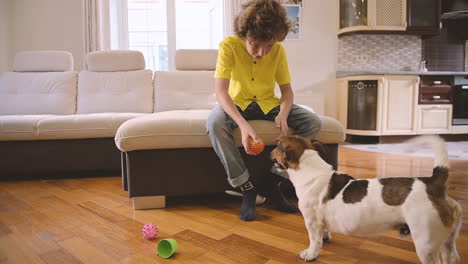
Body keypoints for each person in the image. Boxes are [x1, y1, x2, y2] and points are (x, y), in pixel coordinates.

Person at [206, 0, 321, 221]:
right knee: (214, 123)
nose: (262, 52)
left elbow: (287, 92)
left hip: (269, 103)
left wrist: (284, 114)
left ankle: (273, 181)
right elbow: (221, 93)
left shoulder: (278, 51)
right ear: (244, 35)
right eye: (255, 44)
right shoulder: (229, 46)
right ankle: (246, 187)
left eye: (268, 46)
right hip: (237, 103)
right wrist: (243, 125)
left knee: (313, 122)